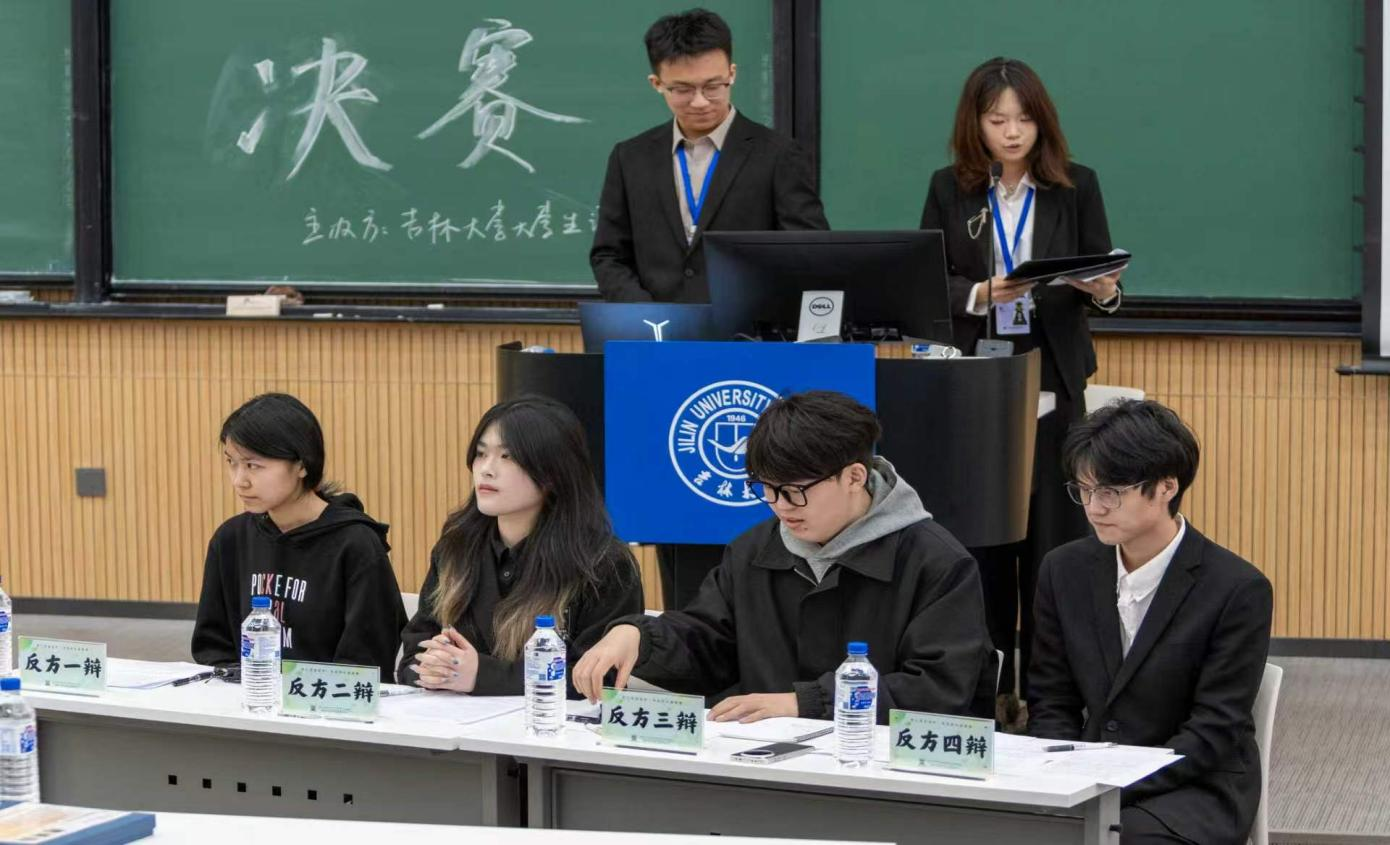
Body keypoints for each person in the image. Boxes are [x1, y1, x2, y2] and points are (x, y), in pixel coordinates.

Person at [574, 391, 996, 723]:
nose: (780, 507)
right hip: (765, 769)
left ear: (854, 476)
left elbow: (940, 689)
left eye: (795, 491)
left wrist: (804, 703)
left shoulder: (936, 562)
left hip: (884, 770)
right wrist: (640, 637)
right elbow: (708, 642)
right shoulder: (753, 550)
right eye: (766, 490)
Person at [919, 57, 1124, 720]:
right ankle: (981, 692)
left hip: (1052, 379)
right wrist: (982, 293)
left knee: (1053, 543)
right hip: (976, 383)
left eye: (1025, 119)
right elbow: (926, 282)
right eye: (998, 119)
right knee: (979, 542)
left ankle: (1049, 698)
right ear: (974, 124)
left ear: (1043, 122)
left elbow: (1102, 275)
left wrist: (1104, 287)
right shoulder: (950, 188)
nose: (1012, 132)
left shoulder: (1076, 186)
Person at [1029, 400, 1273, 844]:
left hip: (1194, 785)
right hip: (1088, 775)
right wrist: (1062, 778)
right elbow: (1052, 700)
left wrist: (1111, 788)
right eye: (1084, 490)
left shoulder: (1237, 588)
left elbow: (1213, 729)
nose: (1094, 507)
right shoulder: (1063, 570)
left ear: (1166, 486)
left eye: (1110, 492)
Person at [397, 396, 643, 696]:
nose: (486, 469)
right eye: (480, 454)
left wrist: (482, 676)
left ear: (553, 473)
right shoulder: (456, 546)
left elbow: (599, 682)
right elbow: (413, 654)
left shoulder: (603, 563)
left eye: (508, 456)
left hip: (547, 724)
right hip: (447, 719)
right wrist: (430, 668)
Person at [589, 7, 828, 303]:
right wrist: (646, 314)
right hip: (656, 326)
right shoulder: (630, 157)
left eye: (713, 86)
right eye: (683, 89)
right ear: (657, 84)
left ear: (732, 74)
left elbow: (808, 252)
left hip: (746, 325)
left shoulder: (778, 155)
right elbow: (609, 255)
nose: (700, 102)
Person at [192, 393, 406, 681]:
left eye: (253, 465)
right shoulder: (231, 539)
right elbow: (213, 649)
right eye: (232, 462)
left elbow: (367, 660)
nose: (239, 480)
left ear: (302, 465)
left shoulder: (355, 543)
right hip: (251, 698)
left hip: (330, 701)